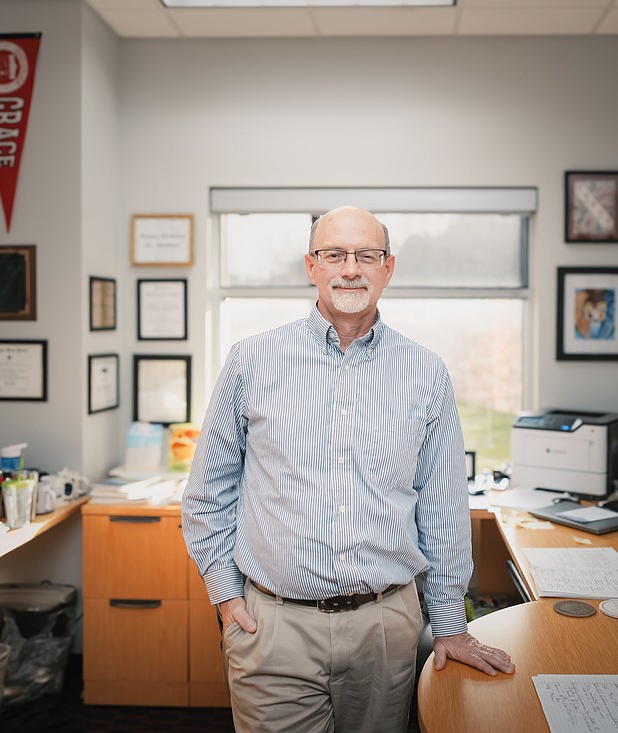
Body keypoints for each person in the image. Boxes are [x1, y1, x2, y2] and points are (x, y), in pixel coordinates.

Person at [182, 206, 514, 733]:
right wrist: (226, 595)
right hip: (273, 626)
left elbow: (442, 509)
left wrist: (450, 624)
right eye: (335, 255)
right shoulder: (252, 361)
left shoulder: (425, 374)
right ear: (311, 265)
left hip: (385, 628)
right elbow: (207, 493)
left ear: (389, 267)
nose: (351, 268)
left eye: (367, 255)